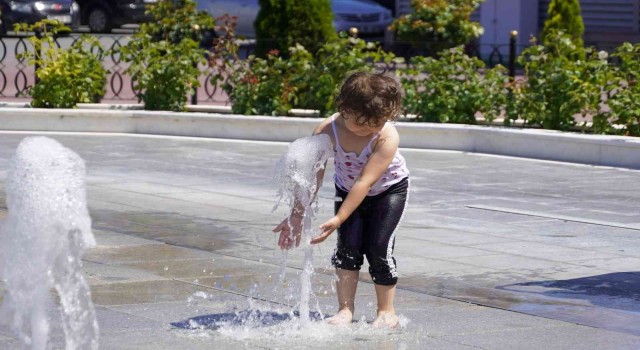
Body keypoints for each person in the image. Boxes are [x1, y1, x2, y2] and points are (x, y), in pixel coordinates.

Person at [272, 71, 410, 329]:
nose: (370, 129)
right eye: (362, 124)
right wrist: (297, 213)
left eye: (377, 123)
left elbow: (364, 182)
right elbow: (313, 175)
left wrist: (338, 218)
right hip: (347, 190)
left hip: (387, 192)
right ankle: (345, 309)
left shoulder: (387, 136)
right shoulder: (327, 131)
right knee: (347, 249)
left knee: (379, 247)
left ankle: (386, 311)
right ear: (344, 109)